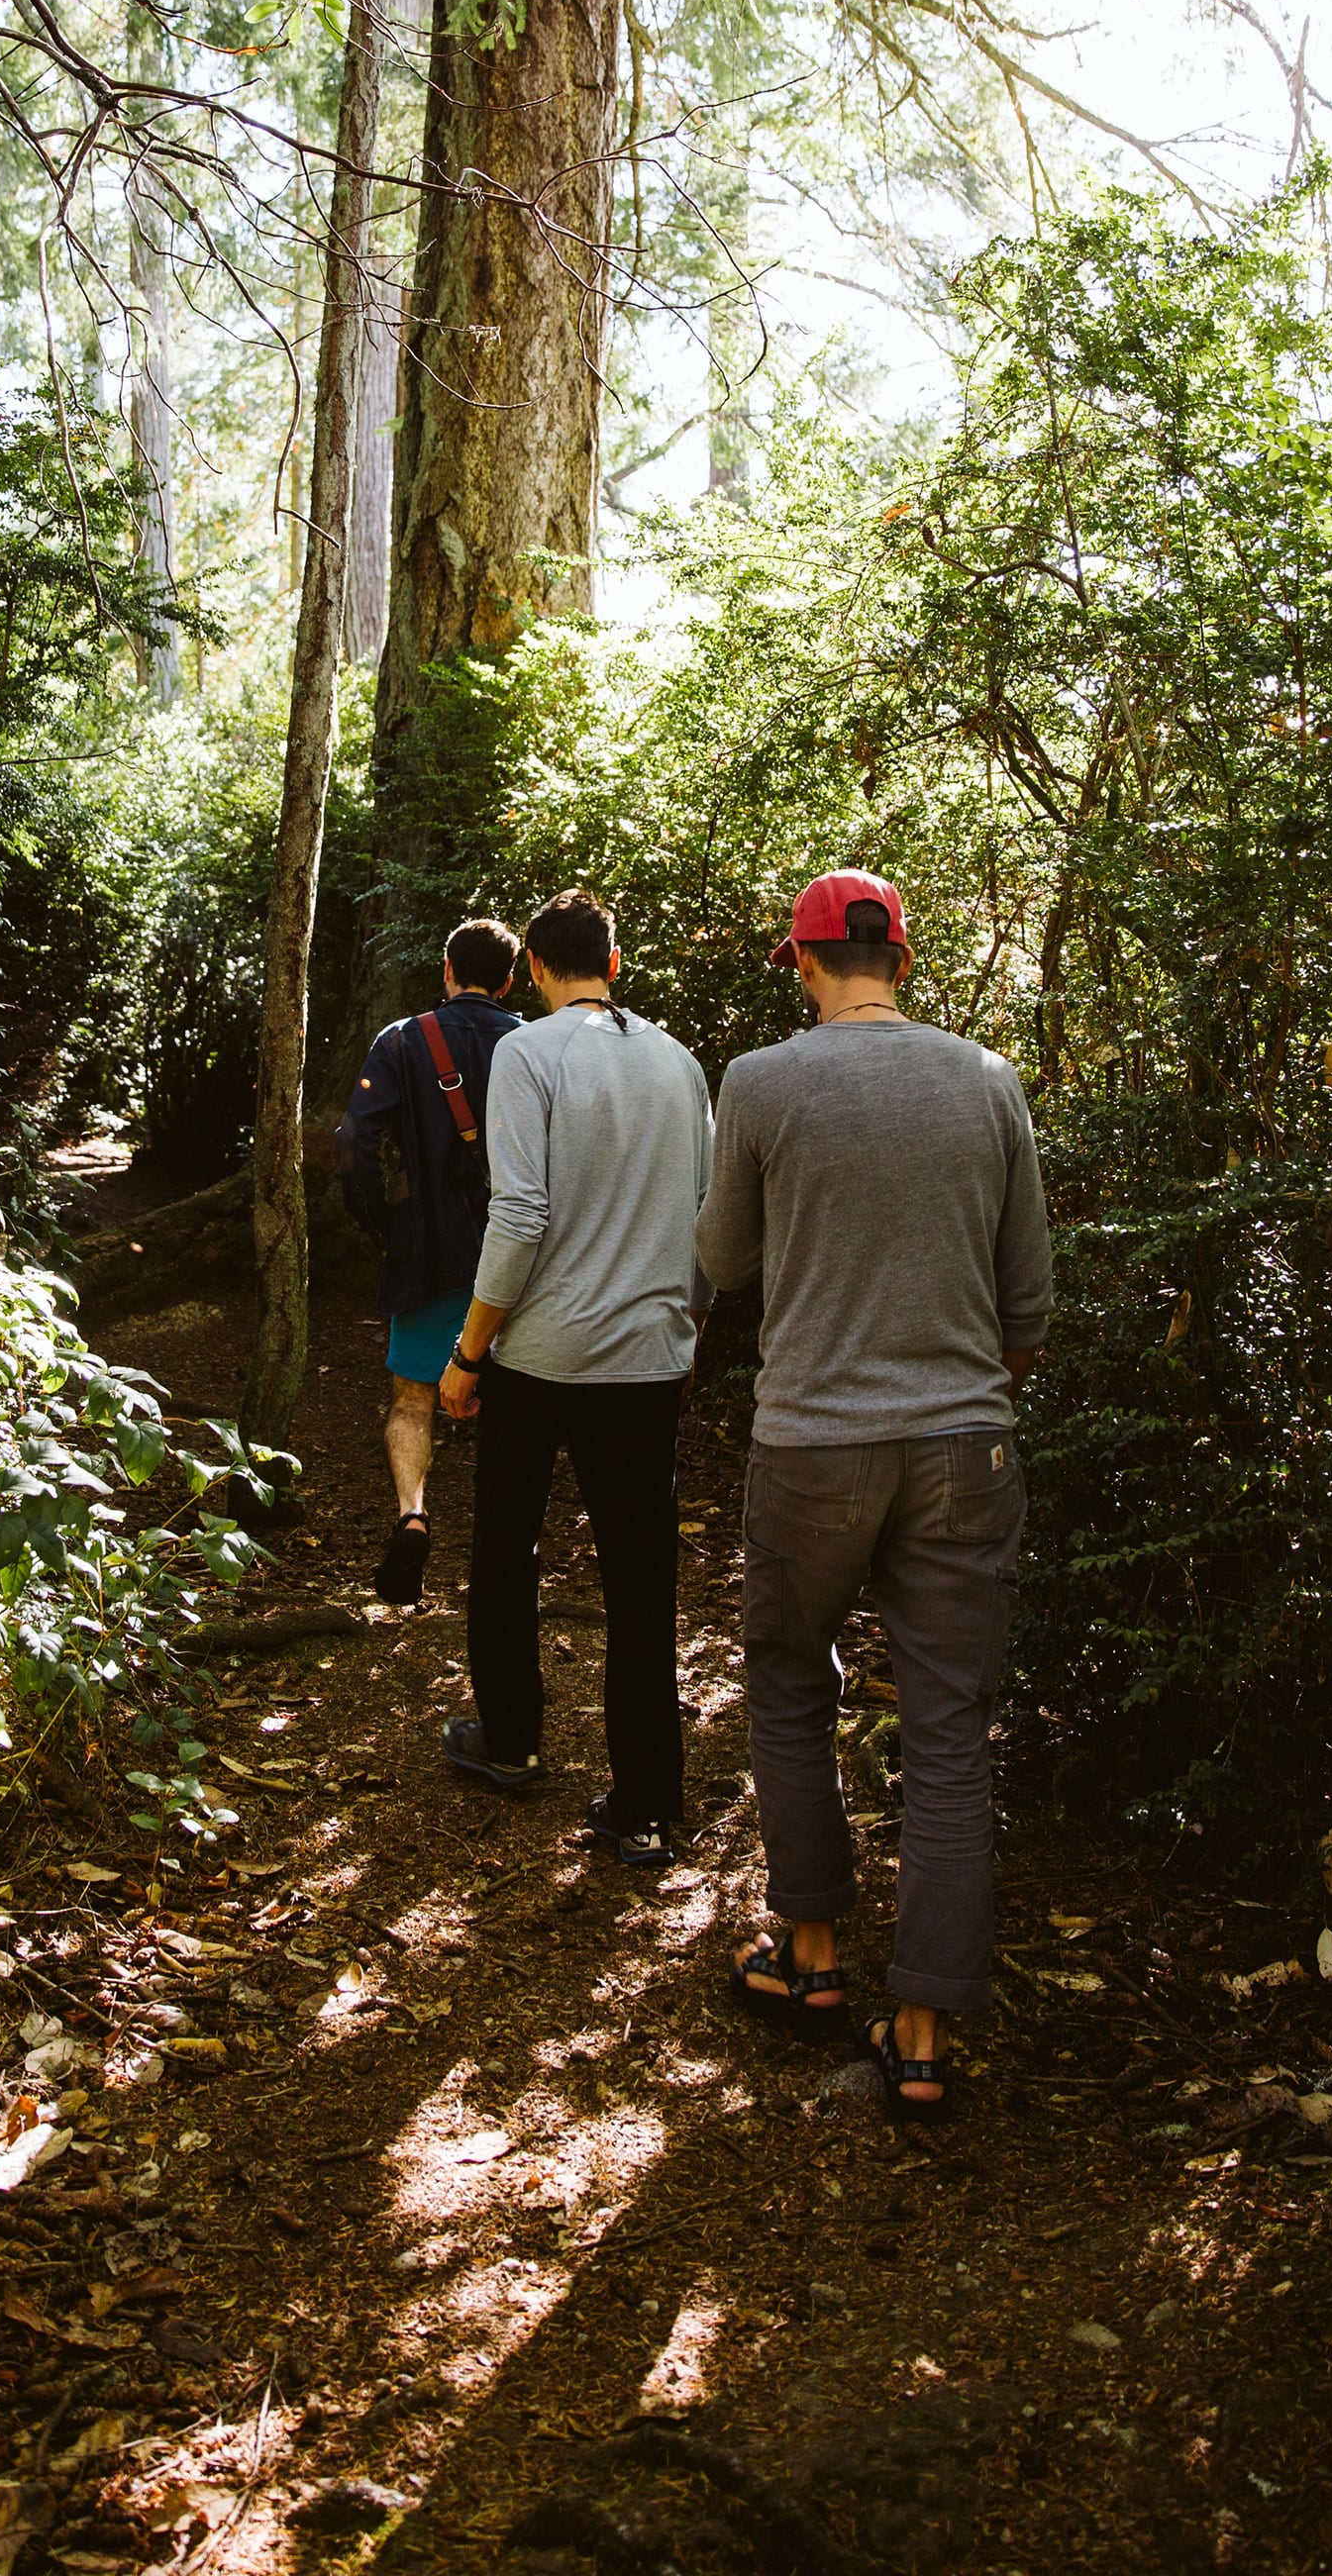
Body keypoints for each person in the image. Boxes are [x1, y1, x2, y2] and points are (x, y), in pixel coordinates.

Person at [693, 871, 1051, 2125]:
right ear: (900, 959)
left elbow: (722, 1262)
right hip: (965, 1445)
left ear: (801, 962)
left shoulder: (760, 1081)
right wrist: (961, 1394)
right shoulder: (989, 1083)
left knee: (791, 1683)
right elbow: (1027, 1306)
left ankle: (810, 1958)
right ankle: (922, 2027)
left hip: (809, 1448)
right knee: (950, 1729)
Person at [435, 889, 715, 1872]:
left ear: (538, 972)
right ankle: (644, 1801)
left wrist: (468, 1351)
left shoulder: (526, 1053)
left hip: (540, 1357)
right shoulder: (678, 1063)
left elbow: (518, 1215)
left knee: (505, 1547)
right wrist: (684, 1322)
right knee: (640, 1577)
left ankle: (508, 1740)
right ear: (614, 958)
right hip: (644, 1357)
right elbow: (705, 1219)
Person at [336, 918, 524, 1603]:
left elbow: (356, 1136)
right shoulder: (532, 1043)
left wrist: (383, 1224)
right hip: (517, 1252)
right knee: (511, 1402)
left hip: (428, 1248)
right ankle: (500, 1548)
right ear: (510, 978)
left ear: (447, 970)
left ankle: (412, 1513)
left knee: (412, 1399)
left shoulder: (404, 1039)